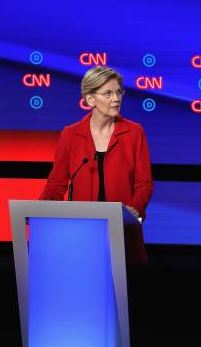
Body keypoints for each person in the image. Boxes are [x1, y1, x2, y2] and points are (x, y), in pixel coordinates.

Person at [41, 66, 153, 259]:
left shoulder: (134, 132)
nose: (116, 98)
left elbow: (144, 183)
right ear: (90, 99)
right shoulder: (71, 134)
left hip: (123, 230)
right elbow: (56, 184)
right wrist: (39, 213)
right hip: (83, 231)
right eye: (108, 93)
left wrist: (135, 209)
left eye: (119, 92)